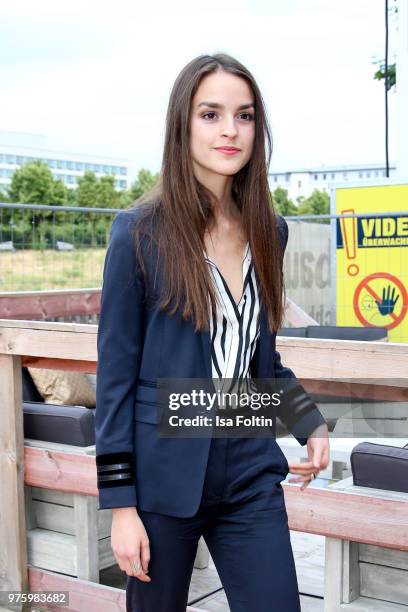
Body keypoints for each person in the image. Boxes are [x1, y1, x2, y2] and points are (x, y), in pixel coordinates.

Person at [95, 53, 330, 612]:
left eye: (244, 116)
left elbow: (260, 360)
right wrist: (121, 508)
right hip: (162, 481)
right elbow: (115, 382)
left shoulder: (269, 232)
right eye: (211, 114)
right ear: (183, 124)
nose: (230, 130)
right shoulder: (138, 233)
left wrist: (307, 421)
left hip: (249, 468)